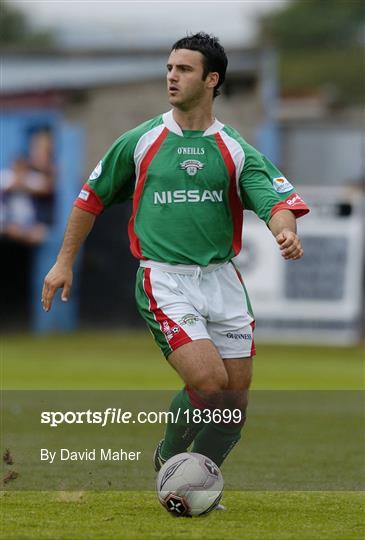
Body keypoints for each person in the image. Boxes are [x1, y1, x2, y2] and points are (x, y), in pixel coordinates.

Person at [42, 33, 309, 491]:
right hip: (164, 278)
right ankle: (169, 458)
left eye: (184, 69)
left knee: (233, 407)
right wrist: (63, 262)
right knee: (208, 382)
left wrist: (286, 231)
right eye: (169, 67)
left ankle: (193, 485)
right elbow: (90, 200)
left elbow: (275, 199)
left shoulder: (235, 147)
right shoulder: (141, 140)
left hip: (222, 280)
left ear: (211, 79)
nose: (171, 75)